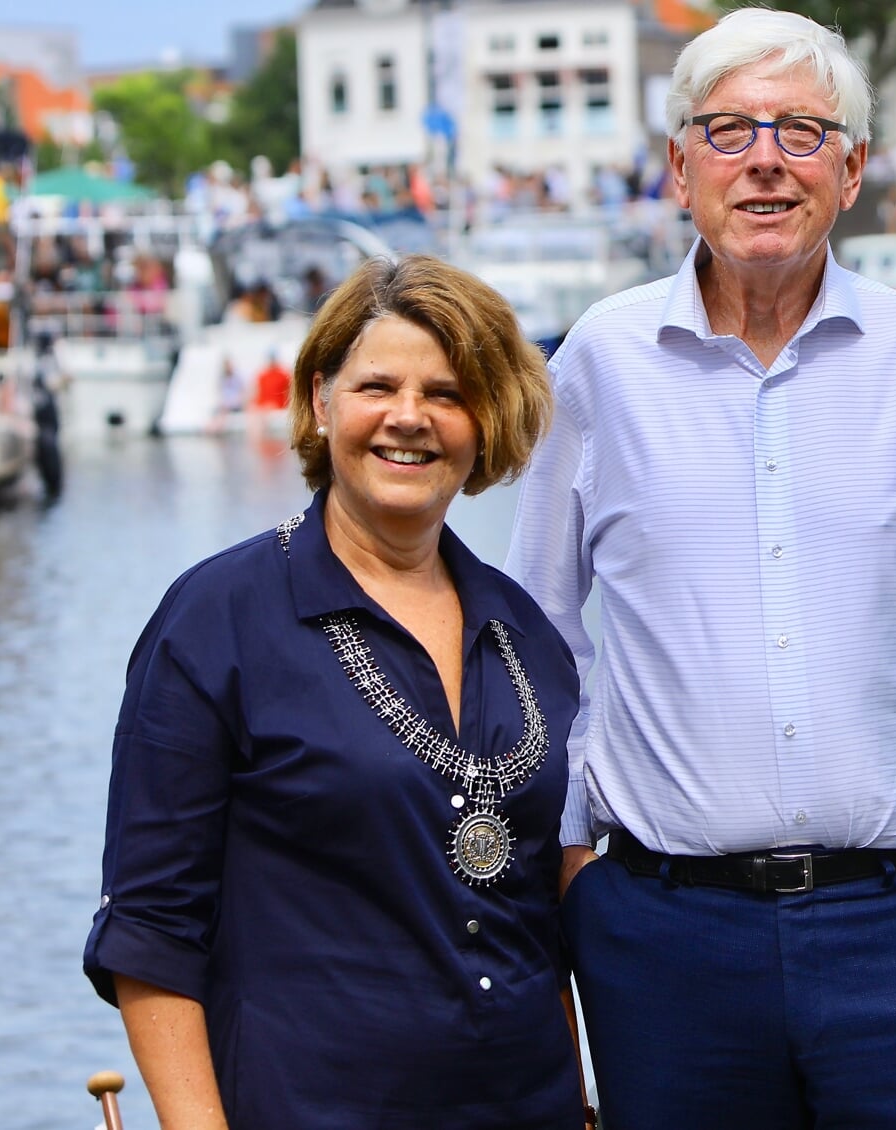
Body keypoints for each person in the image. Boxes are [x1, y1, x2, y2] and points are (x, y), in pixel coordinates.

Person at [504, 10, 896, 1129]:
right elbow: (540, 641)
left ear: (853, 170)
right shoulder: (600, 366)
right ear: (679, 168)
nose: (765, 158)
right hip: (666, 936)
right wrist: (575, 867)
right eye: (727, 131)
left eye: (803, 132)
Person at [84, 255, 585, 1129]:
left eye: (447, 394)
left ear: (486, 421)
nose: (408, 418)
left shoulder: (525, 635)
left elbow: (547, 911)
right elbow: (152, 932)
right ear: (321, 401)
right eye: (377, 386)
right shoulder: (216, 620)